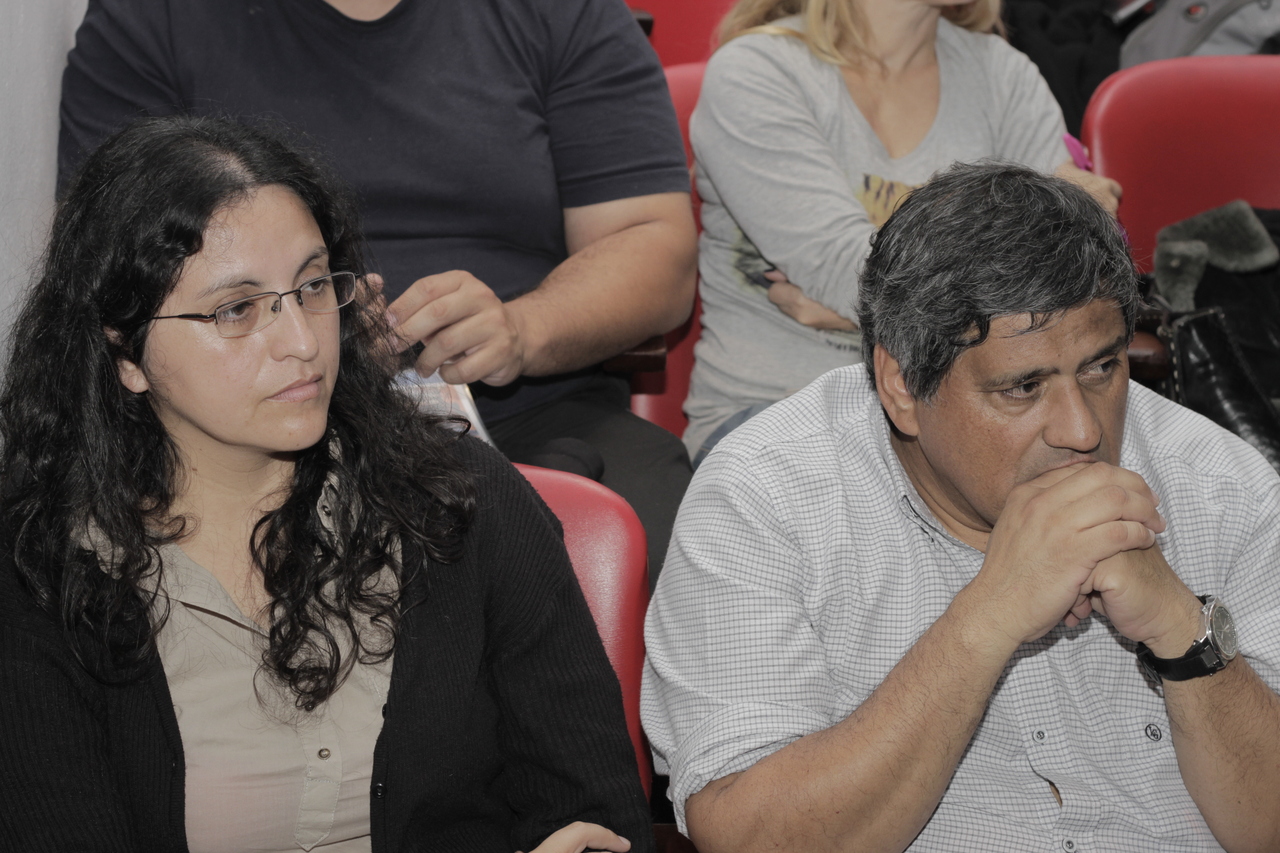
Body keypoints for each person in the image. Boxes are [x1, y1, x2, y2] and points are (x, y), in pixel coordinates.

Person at [0, 115, 652, 853]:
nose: (303, 341)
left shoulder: (463, 503)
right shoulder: (38, 571)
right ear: (125, 354)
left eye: (313, 286)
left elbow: (600, 820)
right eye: (237, 309)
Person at [642, 164, 1280, 851]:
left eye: (1102, 368)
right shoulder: (764, 497)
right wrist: (988, 617)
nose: (1082, 429)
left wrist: (1185, 631)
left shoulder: (1220, 483)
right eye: (1022, 387)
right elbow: (746, 838)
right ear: (901, 385)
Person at [58, 0, 698, 582]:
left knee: (671, 541)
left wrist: (522, 331)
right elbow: (112, 262)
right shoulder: (156, 17)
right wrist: (304, 318)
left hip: (535, 408)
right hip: (249, 427)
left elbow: (657, 253)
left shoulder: (562, 12)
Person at [682, 0, 1124, 462]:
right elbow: (842, 269)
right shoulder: (757, 71)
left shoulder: (1003, 72)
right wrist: (997, 285)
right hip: (780, 406)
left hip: (985, 411)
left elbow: (1071, 279)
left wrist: (858, 309)